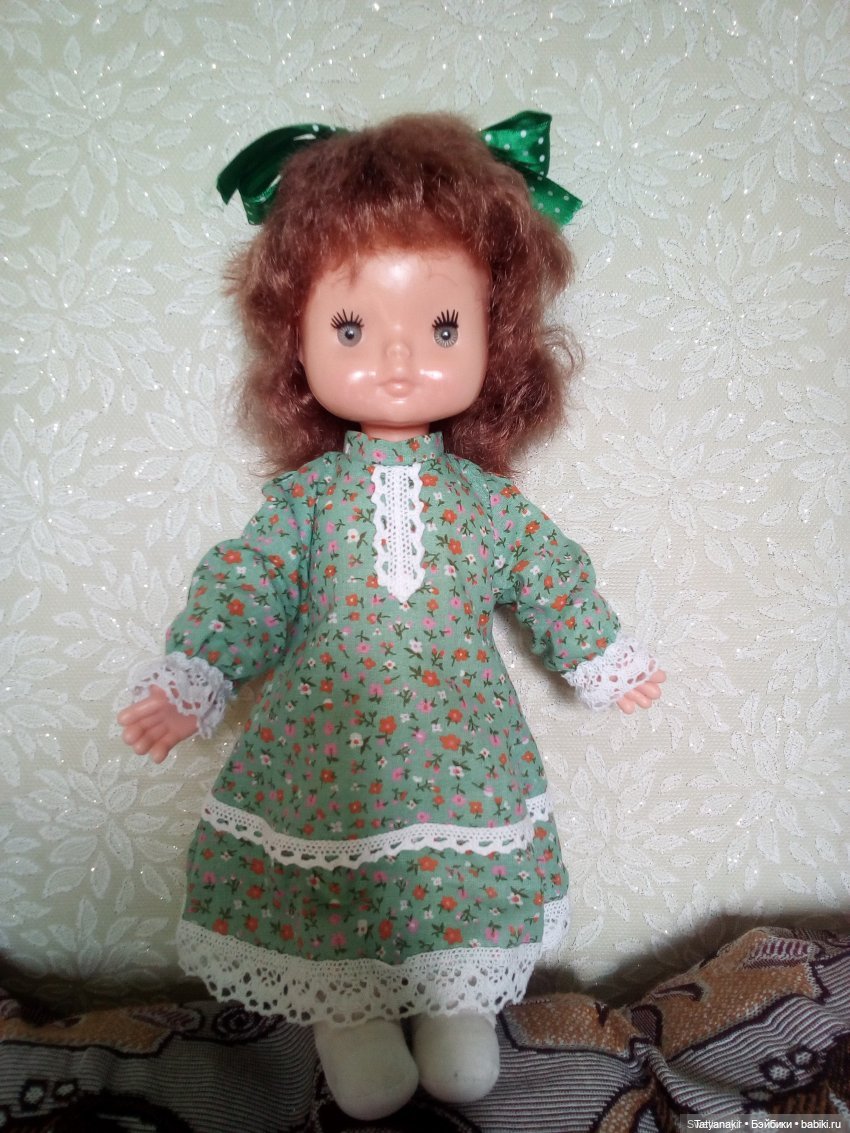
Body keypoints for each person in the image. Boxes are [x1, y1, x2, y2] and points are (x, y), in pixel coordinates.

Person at [117, 112, 665, 1121]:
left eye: (443, 328)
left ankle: (456, 1006)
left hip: (464, 749)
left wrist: (601, 653)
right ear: (298, 339)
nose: (400, 359)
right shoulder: (308, 501)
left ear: (496, 340)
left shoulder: (486, 504)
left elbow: (548, 573)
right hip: (325, 748)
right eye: (353, 329)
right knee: (341, 880)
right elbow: (250, 584)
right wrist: (197, 675)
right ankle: (351, 1014)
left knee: (449, 888)